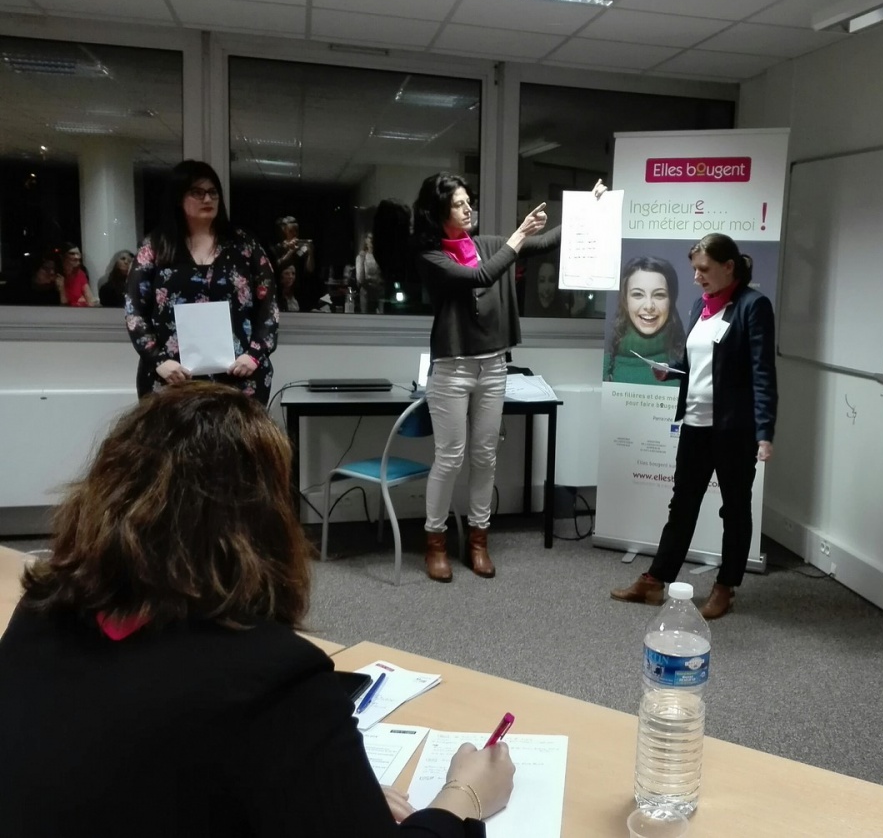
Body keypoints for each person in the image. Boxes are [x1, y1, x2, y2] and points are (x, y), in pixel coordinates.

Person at [0, 382, 515, 838]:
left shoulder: (40, 614)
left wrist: (322, 791)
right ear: (264, 521)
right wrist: (464, 796)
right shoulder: (272, 679)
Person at [414, 173, 603, 581]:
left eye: (469, 201)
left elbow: (545, 242)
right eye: (459, 204)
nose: (468, 208)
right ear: (438, 212)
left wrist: (587, 208)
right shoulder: (431, 256)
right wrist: (517, 236)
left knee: (485, 457)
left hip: (494, 366)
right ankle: (435, 543)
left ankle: (478, 541)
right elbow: (479, 277)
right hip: (452, 369)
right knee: (450, 458)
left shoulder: (487, 245)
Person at [611, 233, 777, 620]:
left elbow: (762, 373)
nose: (697, 277)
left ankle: (725, 587)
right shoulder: (700, 307)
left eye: (704, 269)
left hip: (734, 429)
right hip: (695, 424)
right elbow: (697, 364)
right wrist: (670, 371)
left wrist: (764, 432)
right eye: (694, 270)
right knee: (682, 505)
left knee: (734, 509)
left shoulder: (753, 306)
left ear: (728, 267)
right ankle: (656, 580)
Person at [125, 160, 279, 404]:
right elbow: (134, 309)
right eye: (197, 192)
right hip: (173, 376)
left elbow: (268, 305)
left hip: (239, 374)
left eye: (212, 192)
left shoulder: (244, 245)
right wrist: (158, 360)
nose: (207, 199)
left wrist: (255, 354)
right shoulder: (156, 245)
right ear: (178, 197)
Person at [602, 256, 686, 386]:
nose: (649, 306)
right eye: (638, 294)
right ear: (625, 301)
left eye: (659, 295)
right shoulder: (604, 367)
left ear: (671, 301)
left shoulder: (689, 366)